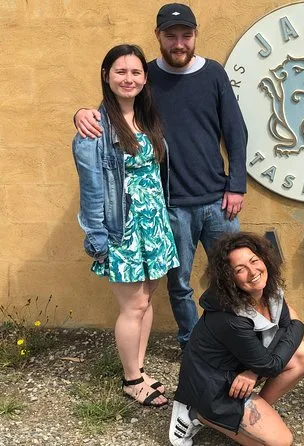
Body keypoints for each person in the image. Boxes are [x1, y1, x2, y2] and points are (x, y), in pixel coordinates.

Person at [74, 3, 248, 348]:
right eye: (171, 35)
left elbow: (236, 131)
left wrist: (237, 185)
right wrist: (80, 113)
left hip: (219, 201)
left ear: (195, 35)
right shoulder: (145, 76)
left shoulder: (213, 73)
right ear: (158, 36)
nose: (179, 43)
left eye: (186, 35)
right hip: (170, 205)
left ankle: (237, 341)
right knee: (180, 285)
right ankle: (192, 345)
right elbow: (112, 112)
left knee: (235, 276)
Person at [72, 44, 178, 407]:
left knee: (146, 300)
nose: (128, 78)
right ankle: (132, 380)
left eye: (135, 72)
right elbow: (91, 189)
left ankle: (139, 369)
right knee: (133, 306)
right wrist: (97, 235)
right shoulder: (94, 127)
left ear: (145, 78)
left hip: (154, 224)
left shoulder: (147, 118)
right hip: (124, 229)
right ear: (106, 76)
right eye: (120, 71)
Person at [168, 232, 304, 446]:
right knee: (281, 442)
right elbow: (272, 362)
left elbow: (283, 329)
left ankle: (249, 415)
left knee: (303, 353)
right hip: (213, 386)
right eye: (240, 269)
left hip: (238, 369)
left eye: (254, 261)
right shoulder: (231, 318)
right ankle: (196, 413)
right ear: (229, 278)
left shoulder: (268, 290)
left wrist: (253, 372)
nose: (253, 272)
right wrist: (298, 323)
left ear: (264, 259)